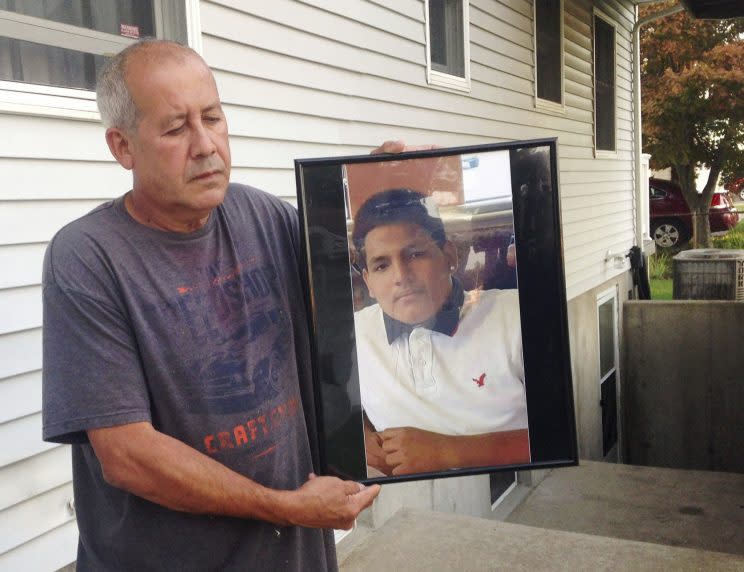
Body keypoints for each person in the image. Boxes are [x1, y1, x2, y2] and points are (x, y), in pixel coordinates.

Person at [41, 39, 381, 571]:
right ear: (122, 147)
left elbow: (354, 295)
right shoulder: (89, 258)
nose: (206, 145)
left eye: (213, 118)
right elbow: (127, 455)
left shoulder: (266, 217)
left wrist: (377, 202)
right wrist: (285, 507)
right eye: (176, 128)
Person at [351, 189, 530, 477]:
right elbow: (332, 405)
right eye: (382, 265)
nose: (400, 276)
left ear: (449, 256)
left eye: (415, 254)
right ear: (368, 281)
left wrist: (447, 452)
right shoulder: (353, 334)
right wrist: (356, 436)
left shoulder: (516, 316)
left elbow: (560, 435)